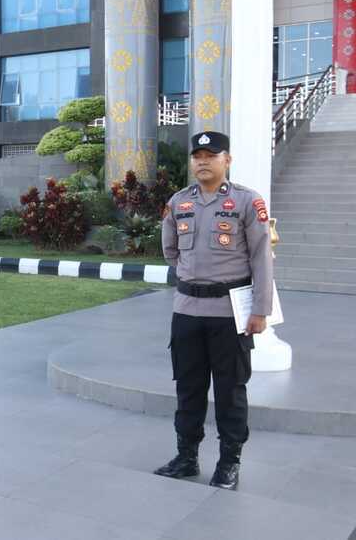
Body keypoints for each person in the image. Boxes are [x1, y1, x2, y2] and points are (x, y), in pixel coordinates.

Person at [154, 131, 273, 491]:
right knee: (188, 387)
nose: (203, 162)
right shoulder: (178, 202)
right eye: (198, 156)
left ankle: (228, 463)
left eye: (211, 155)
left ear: (227, 160)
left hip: (229, 314)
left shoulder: (247, 202)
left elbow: (261, 258)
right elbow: (170, 250)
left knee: (230, 390)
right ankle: (186, 456)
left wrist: (260, 309)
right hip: (187, 311)